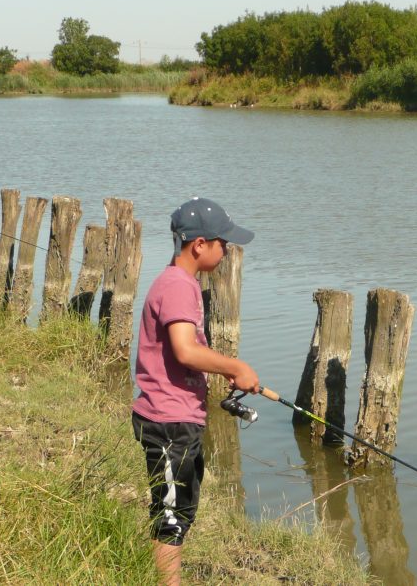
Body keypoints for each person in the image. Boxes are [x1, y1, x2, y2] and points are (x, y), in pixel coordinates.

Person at [131, 197, 261, 586]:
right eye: (224, 243)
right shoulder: (177, 286)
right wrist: (235, 366)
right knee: (170, 515)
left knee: (182, 509)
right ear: (199, 244)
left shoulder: (179, 283)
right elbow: (186, 351)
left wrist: (217, 371)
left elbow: (185, 354)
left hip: (179, 418)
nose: (227, 251)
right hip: (168, 421)